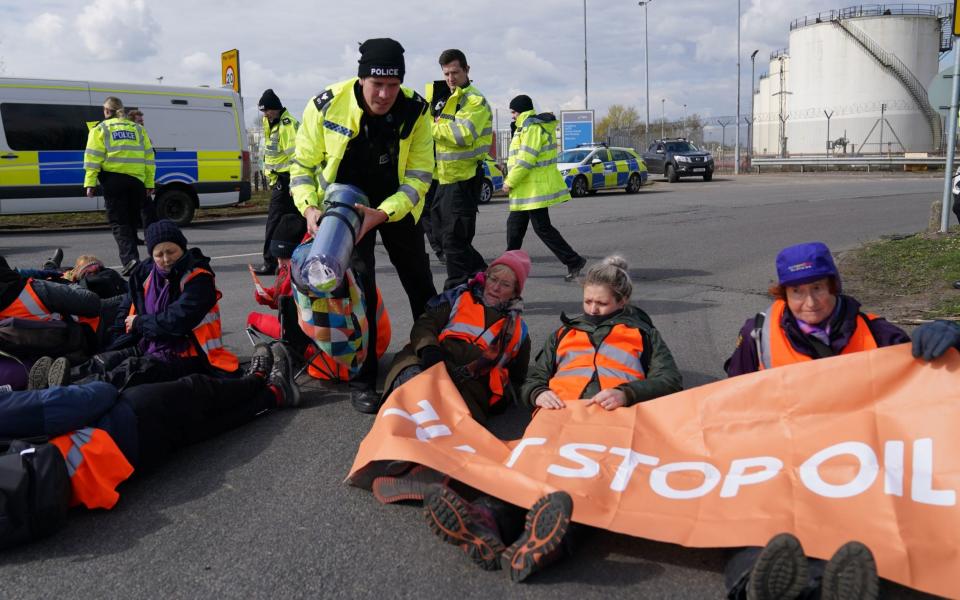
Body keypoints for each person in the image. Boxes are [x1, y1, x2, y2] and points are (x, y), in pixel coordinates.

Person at [416, 256, 682, 582]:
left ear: (622, 301)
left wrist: (627, 392)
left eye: (602, 302)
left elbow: (670, 379)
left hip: (613, 417)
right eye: (588, 301)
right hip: (558, 414)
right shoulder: (563, 333)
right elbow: (533, 378)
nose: (593, 309)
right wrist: (538, 393)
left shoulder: (644, 334)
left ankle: (548, 543)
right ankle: (485, 520)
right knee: (529, 467)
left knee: (590, 480)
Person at [722, 241, 912, 600]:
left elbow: (925, 393)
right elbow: (731, 402)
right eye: (797, 292)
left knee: (872, 524)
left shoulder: (878, 334)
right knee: (748, 519)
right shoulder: (757, 335)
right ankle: (757, 583)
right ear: (784, 294)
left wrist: (949, 345)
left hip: (858, 461)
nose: (809, 303)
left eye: (817, 289)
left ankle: (837, 582)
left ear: (833, 288)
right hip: (783, 458)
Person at [290, 37, 438, 413]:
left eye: (393, 85)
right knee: (359, 295)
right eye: (377, 84)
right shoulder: (326, 104)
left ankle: (438, 359)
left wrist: (385, 213)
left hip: (395, 207)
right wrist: (309, 207)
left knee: (421, 286)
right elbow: (302, 166)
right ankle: (363, 378)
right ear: (361, 79)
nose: (385, 94)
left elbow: (421, 175)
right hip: (346, 207)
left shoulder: (416, 111)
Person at [0, 342, 300, 518]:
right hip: (108, 438)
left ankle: (273, 396)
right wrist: (97, 385)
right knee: (196, 389)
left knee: (191, 431)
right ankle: (258, 379)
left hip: (97, 477)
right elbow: (75, 403)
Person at [42, 220, 239, 389]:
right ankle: (49, 381)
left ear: (183, 249)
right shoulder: (146, 273)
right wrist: (116, 341)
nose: (166, 259)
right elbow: (126, 308)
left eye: (171, 251)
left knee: (128, 372)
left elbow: (175, 322)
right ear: (151, 255)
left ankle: (63, 392)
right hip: (149, 342)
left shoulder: (198, 279)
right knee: (104, 360)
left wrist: (139, 323)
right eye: (158, 254)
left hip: (188, 353)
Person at [380, 249, 532, 425]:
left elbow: (517, 378)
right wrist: (429, 349)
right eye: (493, 279)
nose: (496, 288)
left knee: (448, 417)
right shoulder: (459, 296)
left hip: (471, 380)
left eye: (505, 285)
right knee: (413, 385)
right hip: (434, 360)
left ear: (515, 292)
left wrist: (503, 397)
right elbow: (426, 323)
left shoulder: (519, 330)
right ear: (486, 277)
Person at [502, 95, 586, 282]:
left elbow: (526, 159)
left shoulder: (531, 128)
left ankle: (573, 260)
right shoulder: (524, 128)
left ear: (522, 111)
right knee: (514, 228)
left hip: (533, 190)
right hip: (526, 190)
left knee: (541, 228)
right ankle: (508, 267)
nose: (512, 116)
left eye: (514, 112)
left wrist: (510, 181)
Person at [429, 49, 491, 289]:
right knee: (441, 235)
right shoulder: (449, 98)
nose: (450, 78)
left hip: (464, 179)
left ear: (467, 70)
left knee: (454, 240)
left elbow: (462, 135)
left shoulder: (474, 100)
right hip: (444, 178)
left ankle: (454, 291)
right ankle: (485, 276)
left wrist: (430, 127)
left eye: (455, 72)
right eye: (446, 74)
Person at [83, 97, 155, 275]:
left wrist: (90, 183)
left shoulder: (100, 129)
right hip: (136, 181)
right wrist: (149, 182)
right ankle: (154, 260)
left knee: (120, 223)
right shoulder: (138, 129)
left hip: (113, 181)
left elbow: (93, 158)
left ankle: (131, 262)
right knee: (132, 221)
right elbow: (149, 158)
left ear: (106, 111)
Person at [253, 89, 304, 276]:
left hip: (288, 180)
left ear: (275, 108)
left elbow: (298, 157)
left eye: (267, 111)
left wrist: (294, 183)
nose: (264, 115)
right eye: (263, 112)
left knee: (274, 222)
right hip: (281, 180)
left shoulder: (287, 126)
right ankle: (289, 259)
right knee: (295, 220)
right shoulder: (271, 122)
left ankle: (270, 262)